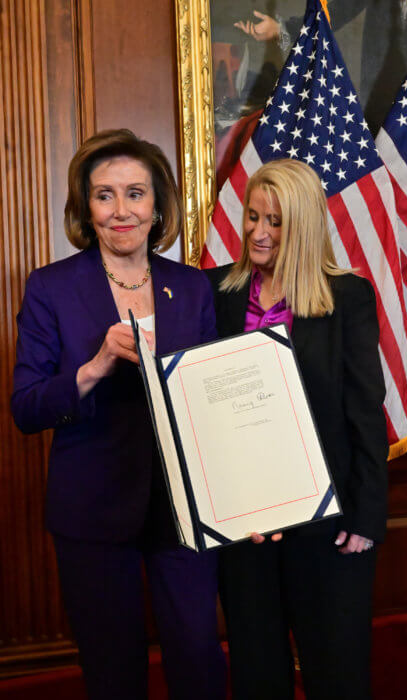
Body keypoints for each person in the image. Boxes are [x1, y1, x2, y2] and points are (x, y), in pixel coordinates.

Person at [11, 129, 226, 700]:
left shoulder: (192, 286)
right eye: (104, 195)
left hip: (183, 510)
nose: (121, 210)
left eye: (136, 193)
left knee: (199, 656)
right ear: (87, 207)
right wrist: (96, 365)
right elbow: (26, 409)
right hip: (92, 511)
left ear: (159, 206)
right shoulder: (51, 288)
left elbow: (211, 402)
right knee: (113, 669)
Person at [205, 159, 388, 700]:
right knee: (257, 666)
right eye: (252, 217)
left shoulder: (346, 297)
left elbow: (365, 411)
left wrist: (366, 517)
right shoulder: (216, 290)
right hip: (245, 522)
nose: (259, 232)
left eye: (276, 221)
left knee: (335, 666)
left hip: (328, 520)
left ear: (304, 225)